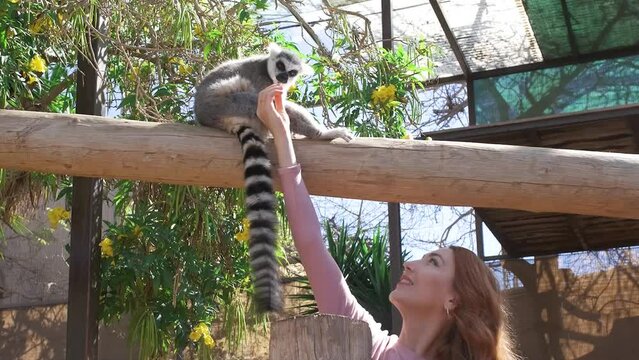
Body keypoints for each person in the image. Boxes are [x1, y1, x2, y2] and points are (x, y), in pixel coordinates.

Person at [255, 84, 519, 360]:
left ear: (454, 299)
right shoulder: (369, 342)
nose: (409, 264)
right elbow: (312, 249)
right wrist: (282, 133)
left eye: (433, 262)